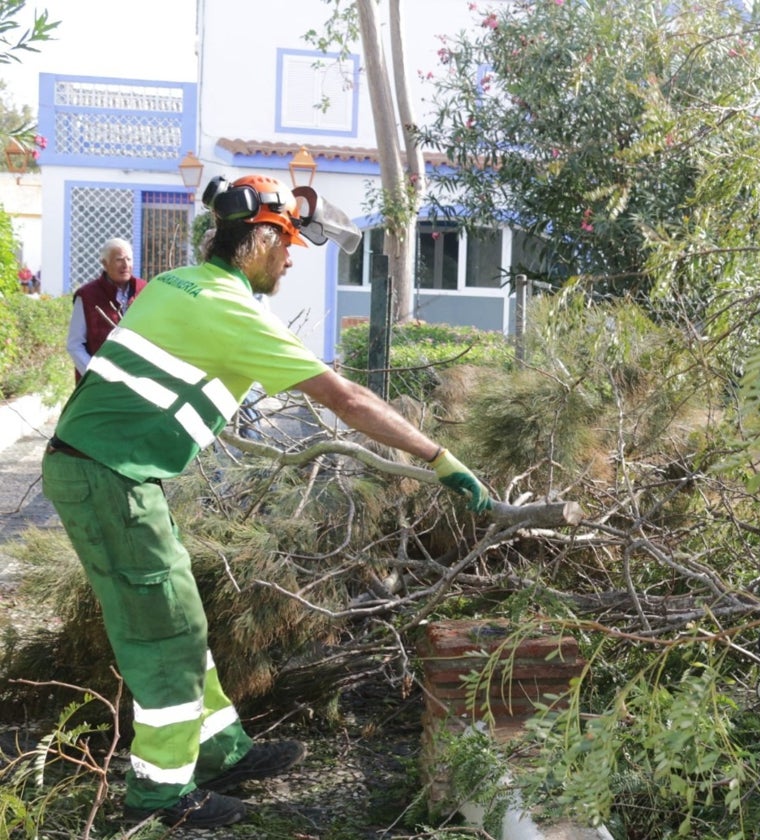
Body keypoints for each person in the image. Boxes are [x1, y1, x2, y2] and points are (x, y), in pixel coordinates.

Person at [41, 173, 491, 830]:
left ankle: (222, 751)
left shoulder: (176, 283)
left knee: (181, 614)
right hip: (109, 477)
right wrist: (438, 459)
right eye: (285, 244)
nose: (289, 259)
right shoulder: (230, 309)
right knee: (164, 635)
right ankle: (162, 795)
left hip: (111, 470)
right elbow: (348, 400)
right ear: (256, 239)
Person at [66, 238, 147, 381]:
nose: (125, 265)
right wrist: (96, 375)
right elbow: (75, 345)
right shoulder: (87, 296)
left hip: (137, 378)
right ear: (104, 263)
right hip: (97, 382)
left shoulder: (144, 290)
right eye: (119, 260)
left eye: (129, 259)